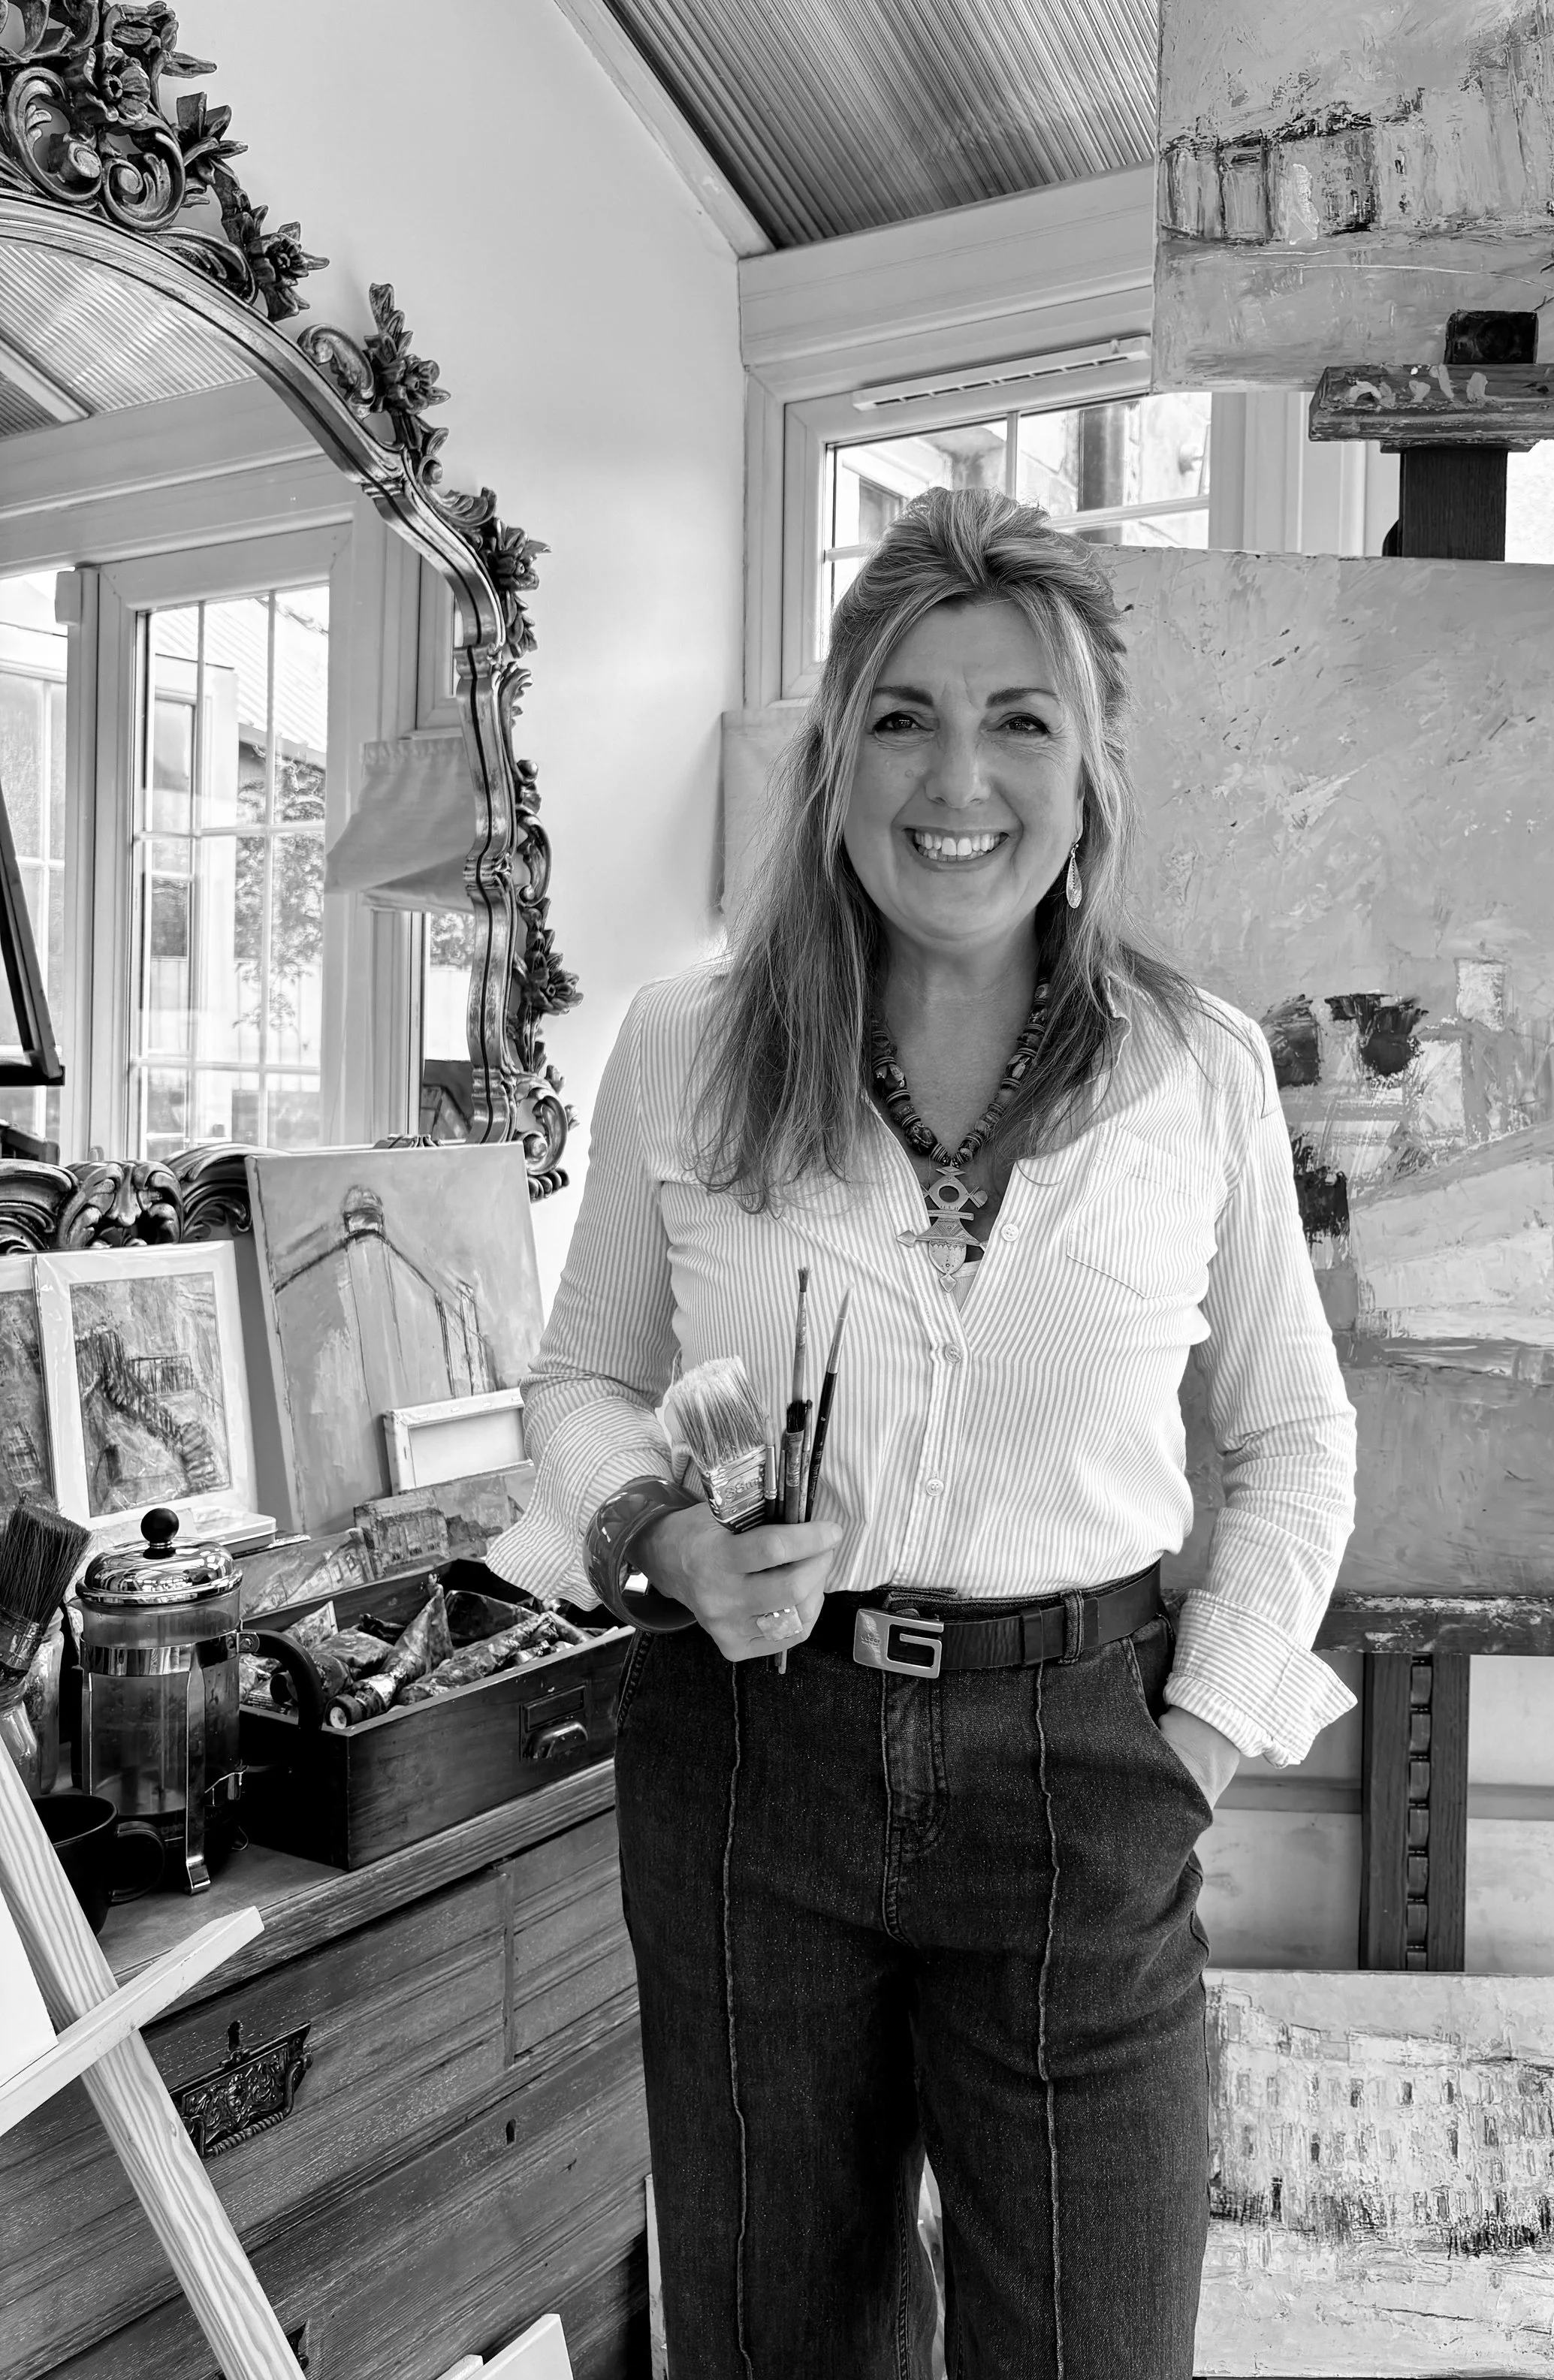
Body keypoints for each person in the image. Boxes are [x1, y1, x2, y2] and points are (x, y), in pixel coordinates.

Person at [488, 487, 1357, 2378]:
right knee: (767, 2349)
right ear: (835, 754)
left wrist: (1194, 1736)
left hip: (1080, 1768)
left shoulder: (1191, 1066)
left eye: (1018, 719)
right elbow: (576, 1385)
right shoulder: (691, 1039)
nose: (955, 776)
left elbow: (1290, 1435)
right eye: (902, 713)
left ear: (1088, 771)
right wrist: (657, 1533)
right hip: (748, 1768)